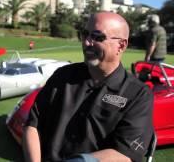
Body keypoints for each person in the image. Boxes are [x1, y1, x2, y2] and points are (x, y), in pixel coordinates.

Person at [23, 12, 154, 162]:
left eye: (98, 37)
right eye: (85, 34)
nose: (87, 42)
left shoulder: (138, 95)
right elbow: (33, 124)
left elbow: (125, 154)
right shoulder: (62, 75)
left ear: (121, 45)